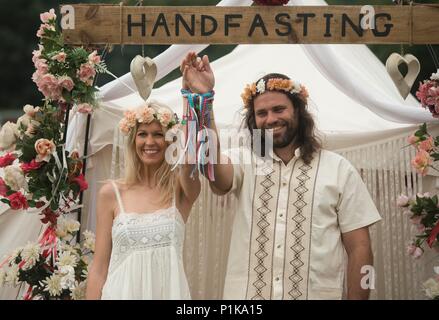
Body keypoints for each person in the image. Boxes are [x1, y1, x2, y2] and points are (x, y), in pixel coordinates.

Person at [180, 52, 382, 300]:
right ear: (253, 120)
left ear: (298, 111)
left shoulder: (339, 169)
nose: (271, 119)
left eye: (278, 109)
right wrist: (205, 99)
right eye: (262, 113)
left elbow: (361, 248)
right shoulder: (247, 159)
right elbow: (215, 170)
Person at [85, 101, 200, 299]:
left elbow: (190, 155)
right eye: (142, 134)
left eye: (158, 134)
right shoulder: (111, 193)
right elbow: (99, 268)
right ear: (132, 140)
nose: (150, 142)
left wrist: (187, 97)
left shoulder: (181, 190)